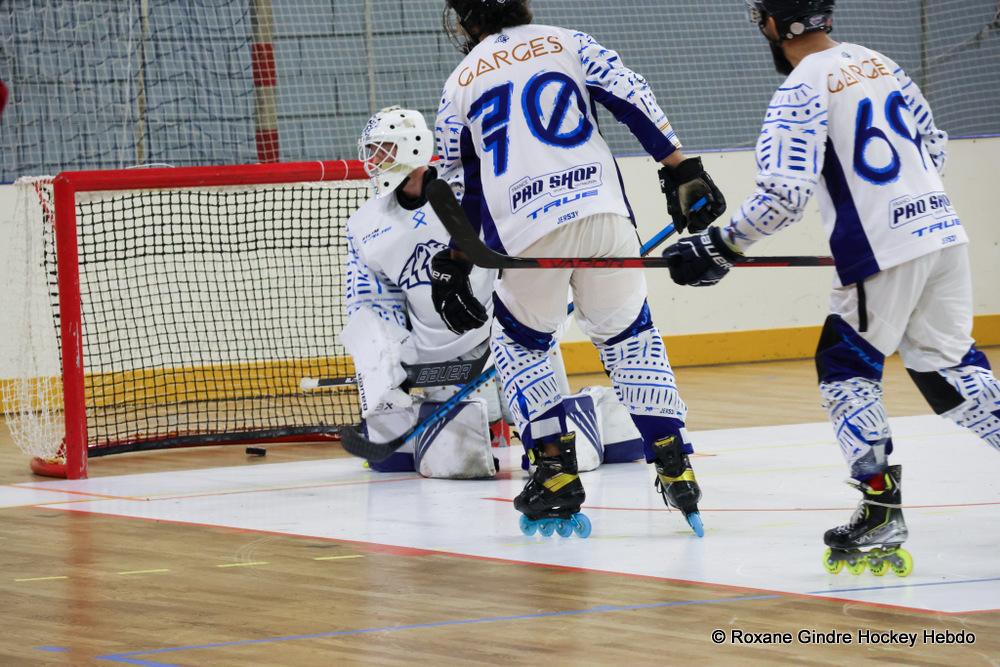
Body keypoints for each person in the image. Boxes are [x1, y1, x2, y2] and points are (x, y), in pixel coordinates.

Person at [662, 0, 999, 574]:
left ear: (771, 24)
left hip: (884, 248)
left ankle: (880, 507)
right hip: (942, 232)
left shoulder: (800, 90)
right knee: (950, 369)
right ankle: (881, 503)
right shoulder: (878, 62)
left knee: (846, 371)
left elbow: (783, 197)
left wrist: (719, 245)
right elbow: (933, 146)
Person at [432, 0, 727, 537]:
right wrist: (682, 167)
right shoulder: (568, 40)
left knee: (521, 342)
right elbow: (631, 94)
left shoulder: (459, 83)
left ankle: (554, 472)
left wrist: (453, 263)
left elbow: (458, 183)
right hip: (602, 211)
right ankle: (674, 460)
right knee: (629, 335)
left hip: (524, 231)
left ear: (465, 19)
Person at [344, 106, 506, 478]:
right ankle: (428, 421)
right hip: (433, 353)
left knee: (531, 404)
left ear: (412, 148)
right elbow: (369, 305)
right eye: (371, 150)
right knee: (445, 465)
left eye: (382, 149)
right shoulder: (365, 225)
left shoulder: (470, 194)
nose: (373, 159)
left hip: (496, 337)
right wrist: (385, 370)